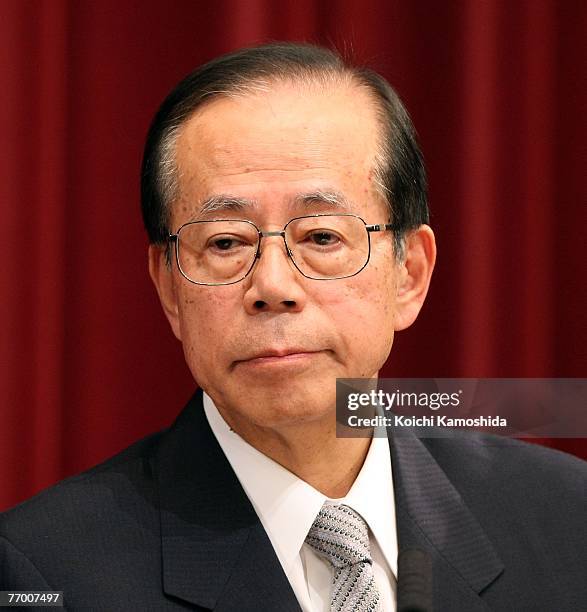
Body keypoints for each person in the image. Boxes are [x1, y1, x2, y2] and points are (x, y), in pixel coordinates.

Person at [1, 42, 585, 612]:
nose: (273, 287)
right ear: (168, 286)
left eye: (322, 236)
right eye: (225, 242)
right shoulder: (45, 572)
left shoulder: (565, 519)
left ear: (409, 275)